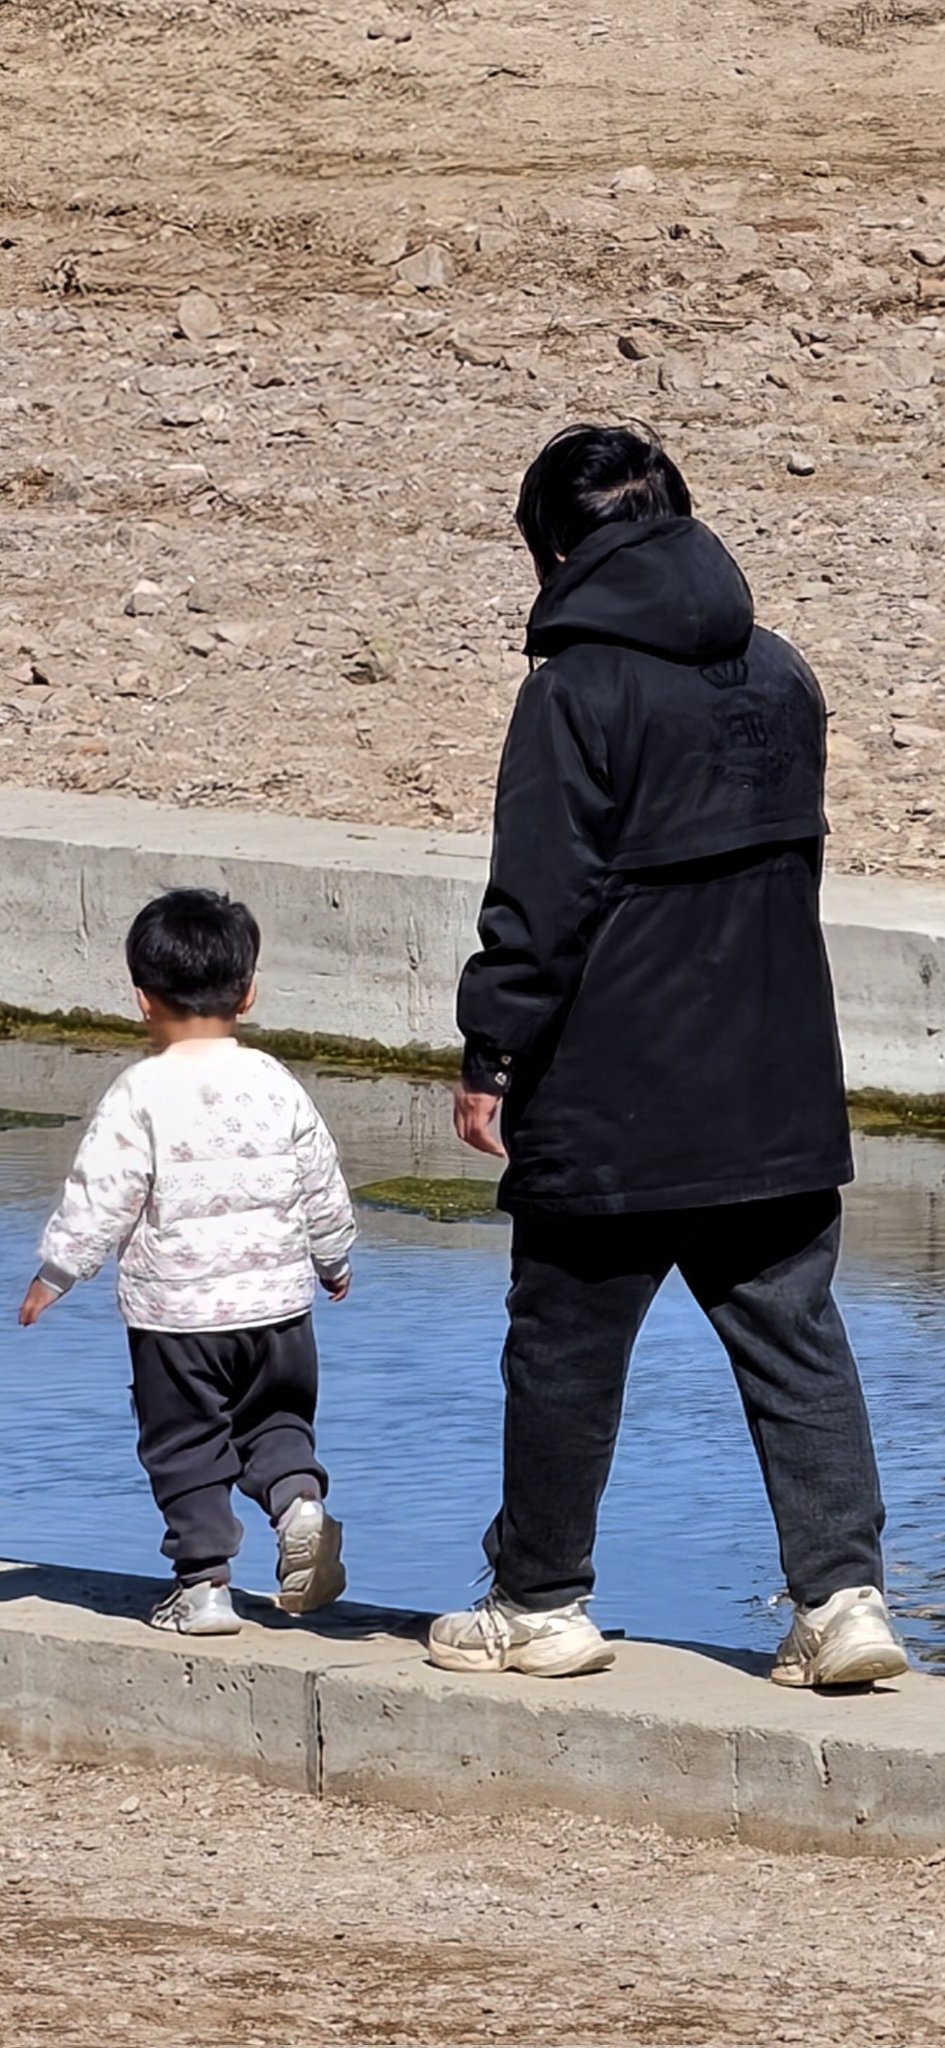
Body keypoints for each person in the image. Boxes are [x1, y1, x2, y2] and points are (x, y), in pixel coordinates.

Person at [429, 422, 907, 1689]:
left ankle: (539, 1602)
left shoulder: (572, 691)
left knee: (564, 1350)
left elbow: (539, 902)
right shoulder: (780, 672)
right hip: (775, 1079)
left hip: (612, 1092)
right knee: (796, 1340)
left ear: (558, 550)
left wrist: (491, 1054)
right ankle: (843, 1596)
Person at [19, 888, 356, 1638]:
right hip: (278, 1308)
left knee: (185, 1444)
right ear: (249, 991)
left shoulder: (140, 1091)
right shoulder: (275, 1082)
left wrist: (57, 1272)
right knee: (276, 1421)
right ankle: (298, 1505)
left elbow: (102, 1194)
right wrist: (332, 1258)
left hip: (176, 1317)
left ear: (143, 999)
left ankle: (203, 1587)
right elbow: (321, 1181)